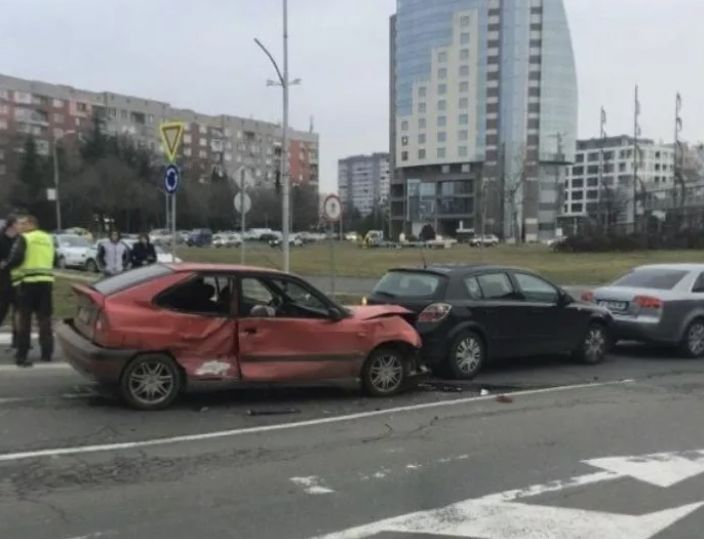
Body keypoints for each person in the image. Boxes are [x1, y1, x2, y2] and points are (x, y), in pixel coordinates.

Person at [6, 214, 55, 367]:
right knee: (45, 320)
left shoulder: (25, 238)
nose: (19, 227)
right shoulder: (48, 238)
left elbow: (17, 258)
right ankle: (47, 353)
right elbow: (54, 258)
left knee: (24, 321)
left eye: (22, 224)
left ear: (31, 224)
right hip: (46, 283)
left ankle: (22, 355)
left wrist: (6, 266)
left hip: (27, 284)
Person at [0, 215, 19, 346]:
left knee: (18, 311)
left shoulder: (19, 240)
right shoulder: (1, 238)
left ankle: (17, 340)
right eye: (18, 224)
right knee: (2, 309)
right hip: (3, 279)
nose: (20, 227)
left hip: (17, 279)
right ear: (11, 225)